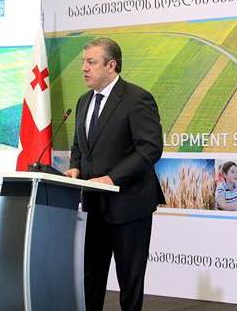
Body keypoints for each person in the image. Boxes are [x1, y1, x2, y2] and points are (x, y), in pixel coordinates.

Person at [65, 37, 164, 311]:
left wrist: (112, 178)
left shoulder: (137, 99)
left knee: (129, 280)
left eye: (91, 62)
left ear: (111, 65)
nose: (84, 68)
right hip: (93, 205)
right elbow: (80, 146)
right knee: (90, 277)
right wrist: (75, 166)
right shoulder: (83, 101)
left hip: (129, 204)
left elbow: (150, 148)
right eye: (83, 62)